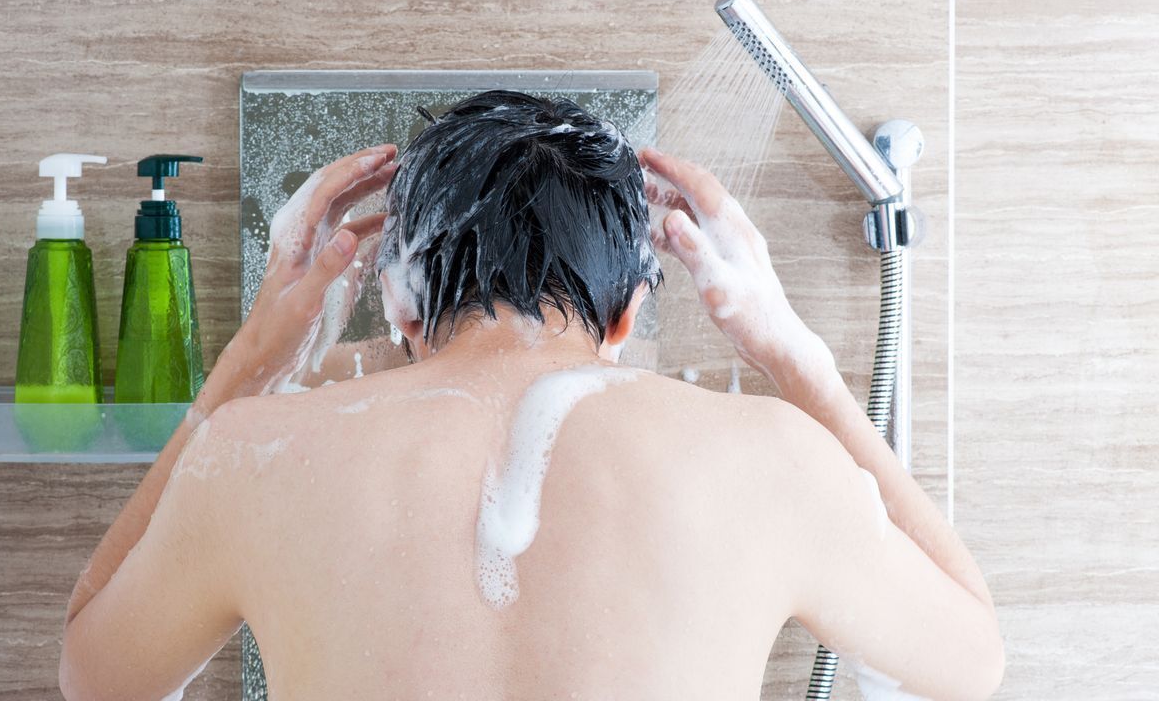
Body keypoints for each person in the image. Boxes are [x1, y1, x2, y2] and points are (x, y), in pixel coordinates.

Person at [59, 92, 1004, 700]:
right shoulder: (771, 459)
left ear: (397, 304)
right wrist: (798, 362)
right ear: (629, 312)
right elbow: (973, 661)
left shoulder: (256, 457)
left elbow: (95, 674)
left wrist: (252, 361)